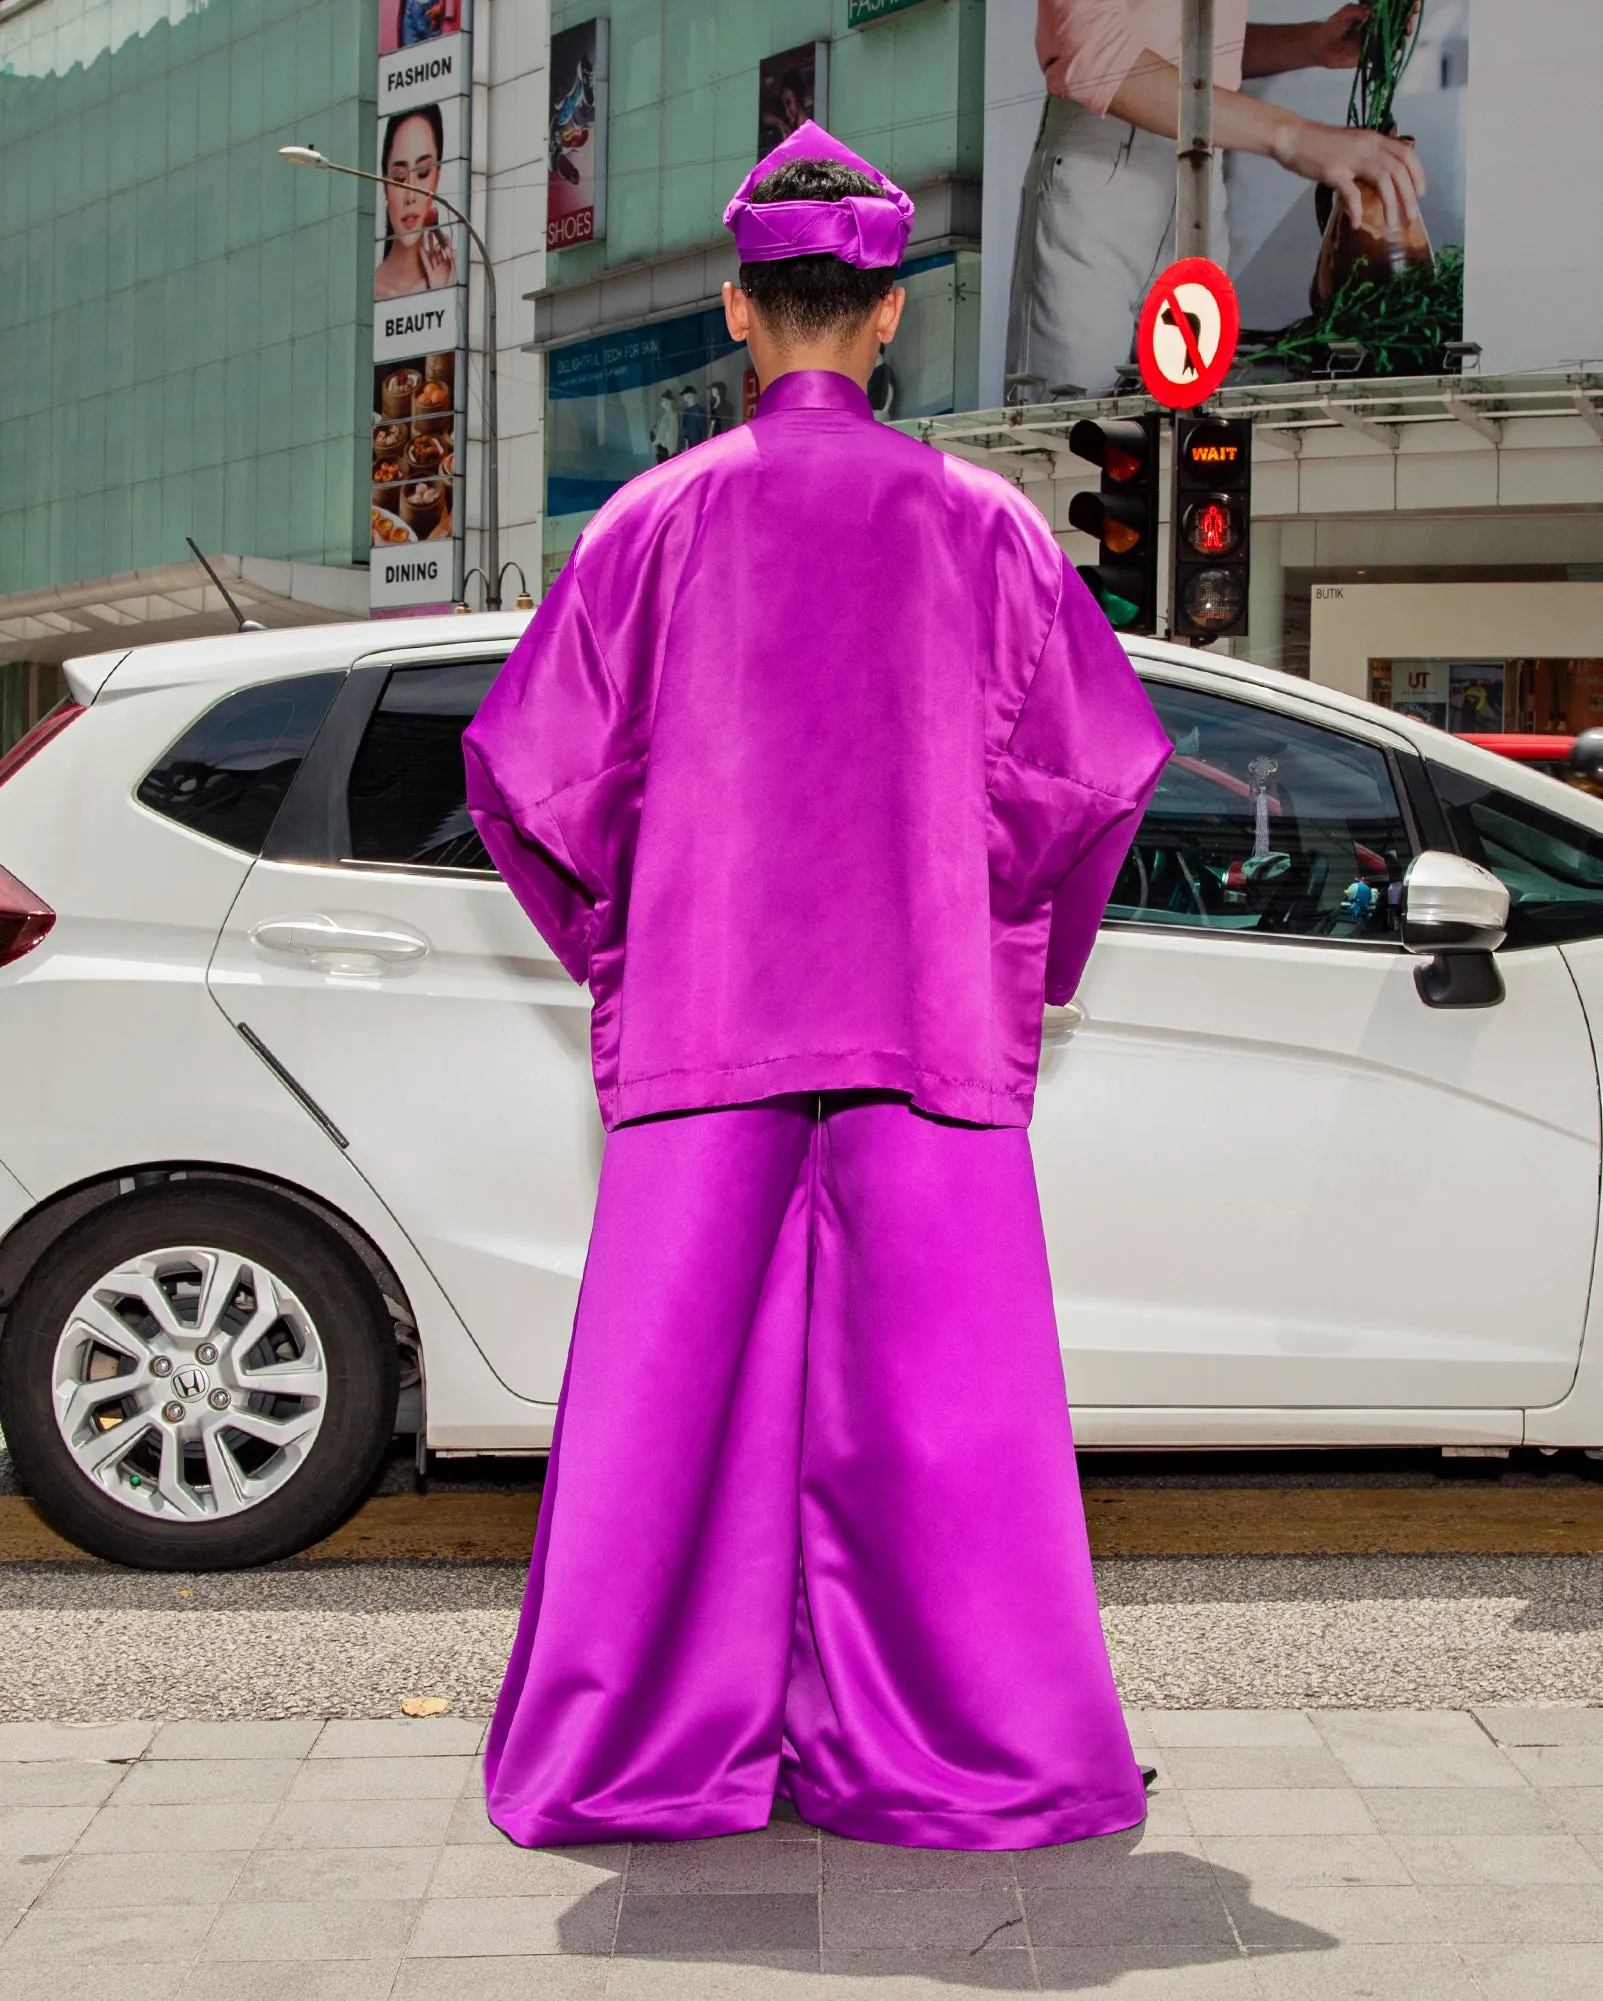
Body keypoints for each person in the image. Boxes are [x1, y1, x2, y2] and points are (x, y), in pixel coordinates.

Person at [465, 121, 1171, 1852]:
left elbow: (524, 781)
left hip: (705, 1027)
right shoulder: (988, 528)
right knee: (942, 1425)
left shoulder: (643, 525)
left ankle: (629, 1753)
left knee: (665, 1416)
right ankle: (972, 1749)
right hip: (921, 1026)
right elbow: (1094, 773)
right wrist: (1007, 938)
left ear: (732, 312)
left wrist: (628, 957)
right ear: (883, 321)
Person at [1007, 1, 1428, 398]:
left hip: (1202, 179)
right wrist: (1293, 137)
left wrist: (1312, 43)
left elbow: (1183, 46)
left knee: (1189, 437)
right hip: (1102, 172)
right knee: (1069, 440)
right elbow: (1087, 50)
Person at [374, 105, 456, 301]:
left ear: (437, 178)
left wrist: (443, 293)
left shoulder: (448, 276)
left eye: (423, 173)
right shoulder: (367, 291)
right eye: (400, 177)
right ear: (385, 185)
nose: (410, 195)